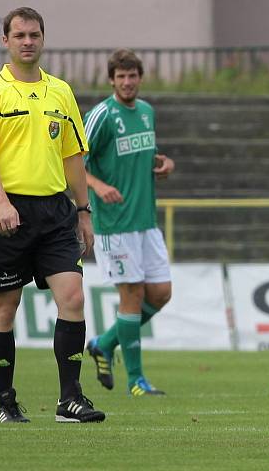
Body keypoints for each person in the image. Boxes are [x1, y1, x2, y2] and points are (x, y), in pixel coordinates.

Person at [0, 6, 104, 423]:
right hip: (8, 210)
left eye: (34, 35)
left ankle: (70, 400)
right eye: (20, 35)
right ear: (5, 40)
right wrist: (1, 202)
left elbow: (74, 155)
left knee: (74, 297)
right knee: (5, 307)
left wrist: (83, 211)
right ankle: (6, 402)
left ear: (43, 39)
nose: (28, 41)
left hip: (56, 210)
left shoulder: (60, 91)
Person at [83, 48, 175, 397]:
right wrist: (97, 185)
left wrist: (162, 165)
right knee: (133, 295)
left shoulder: (147, 112)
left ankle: (105, 344)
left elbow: (140, 156)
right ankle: (136, 380)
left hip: (145, 221)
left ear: (139, 77)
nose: (126, 82)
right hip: (115, 224)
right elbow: (73, 161)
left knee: (161, 294)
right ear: (111, 80)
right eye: (120, 76)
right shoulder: (101, 115)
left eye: (132, 75)